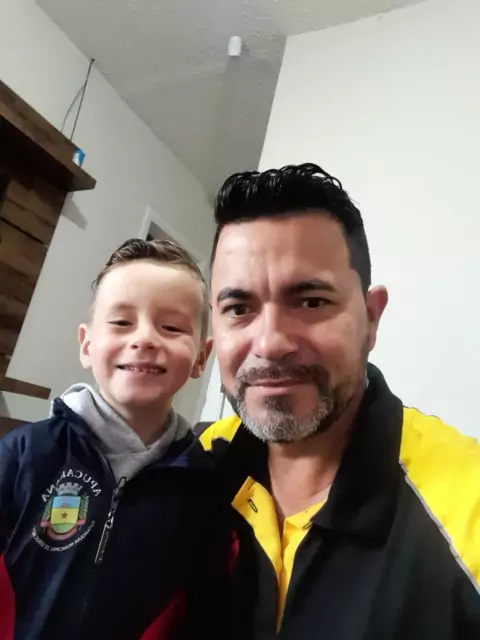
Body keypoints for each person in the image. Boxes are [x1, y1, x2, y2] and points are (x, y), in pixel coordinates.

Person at [198, 164, 480, 639]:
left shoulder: (467, 502)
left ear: (371, 318)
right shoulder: (192, 468)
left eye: (310, 301)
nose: (270, 343)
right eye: (239, 309)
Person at [0, 238, 230, 639]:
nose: (145, 339)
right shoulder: (23, 455)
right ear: (87, 345)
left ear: (200, 357)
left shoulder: (204, 488)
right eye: (122, 322)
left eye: (172, 327)